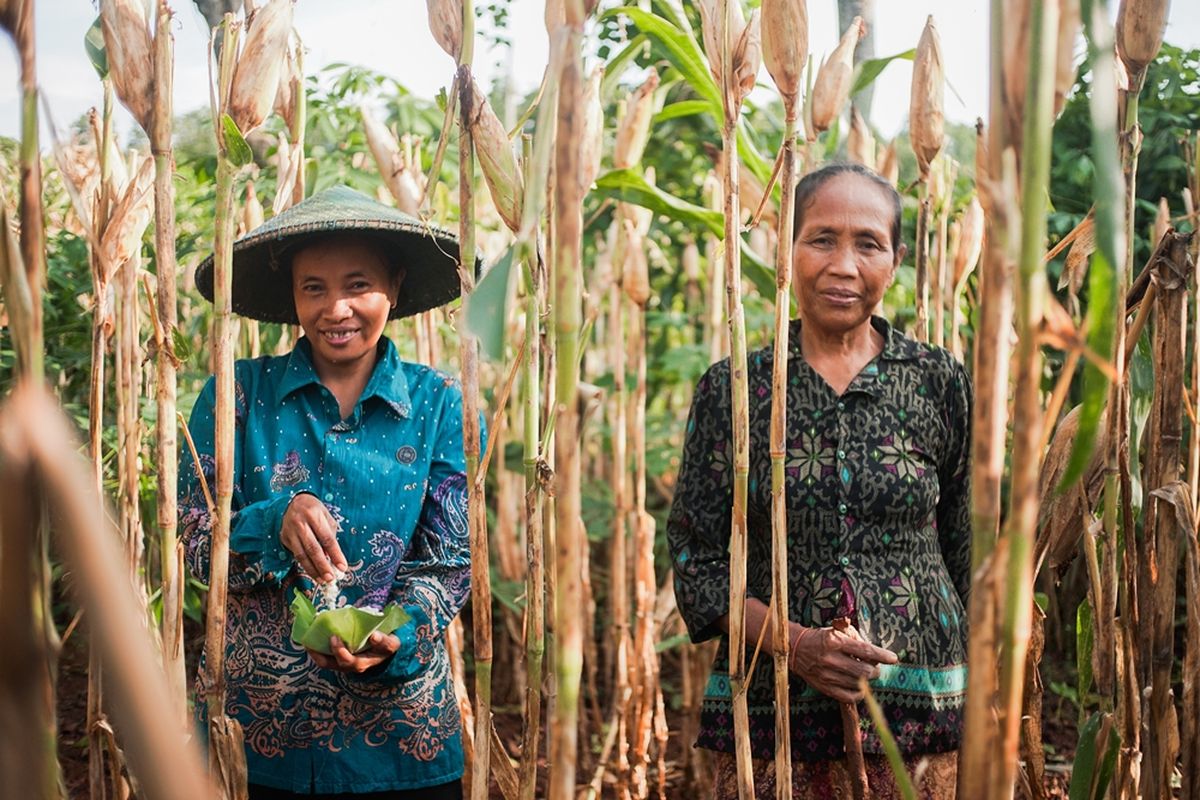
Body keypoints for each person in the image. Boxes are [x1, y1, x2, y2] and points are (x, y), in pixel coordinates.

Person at [666, 163, 971, 798]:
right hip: (772, 708)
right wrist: (795, 643)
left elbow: (967, 550)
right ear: (786, 247)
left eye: (868, 243)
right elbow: (697, 561)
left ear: (896, 258)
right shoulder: (736, 389)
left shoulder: (938, 380)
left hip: (924, 711)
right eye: (822, 238)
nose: (843, 265)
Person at [181, 185, 480, 798]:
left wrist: (398, 636)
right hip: (259, 735)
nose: (335, 309)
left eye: (357, 285)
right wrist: (272, 520)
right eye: (312, 288)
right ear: (292, 295)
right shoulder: (234, 396)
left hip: (403, 738)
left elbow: (448, 561)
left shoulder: (440, 401)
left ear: (393, 287)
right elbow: (187, 535)